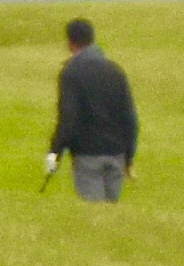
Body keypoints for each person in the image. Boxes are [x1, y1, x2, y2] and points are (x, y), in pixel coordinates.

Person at [47, 16, 136, 204]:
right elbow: (130, 117)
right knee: (111, 211)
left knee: (96, 216)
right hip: (116, 154)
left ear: (70, 43)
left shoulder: (71, 72)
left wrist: (55, 152)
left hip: (87, 155)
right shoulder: (115, 71)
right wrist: (129, 157)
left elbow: (68, 118)